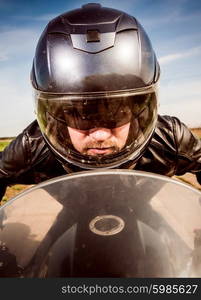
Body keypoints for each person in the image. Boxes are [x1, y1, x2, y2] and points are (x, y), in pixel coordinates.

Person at [0, 3, 201, 203]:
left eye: (118, 114)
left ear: (142, 109)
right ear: (56, 116)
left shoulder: (170, 139)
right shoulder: (33, 147)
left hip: (143, 215)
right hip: (71, 218)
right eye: (81, 116)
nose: (100, 135)